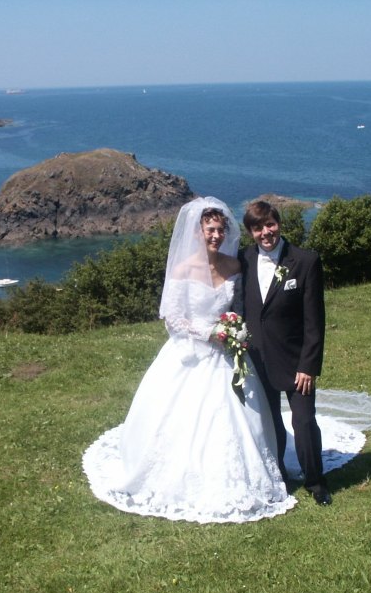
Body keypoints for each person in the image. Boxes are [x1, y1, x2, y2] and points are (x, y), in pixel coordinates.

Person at [83, 196, 297, 523]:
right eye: (210, 230)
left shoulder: (234, 266)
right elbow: (172, 318)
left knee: (242, 414)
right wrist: (210, 333)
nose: (216, 236)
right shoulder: (183, 269)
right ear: (198, 232)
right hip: (191, 354)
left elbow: (240, 307)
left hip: (228, 354)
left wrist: (234, 329)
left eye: (220, 230)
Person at [240, 200, 332, 506]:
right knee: (270, 422)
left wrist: (309, 365)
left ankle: (315, 480)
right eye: (258, 227)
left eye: (270, 224)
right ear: (251, 232)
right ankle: (276, 471)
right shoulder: (243, 260)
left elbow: (314, 322)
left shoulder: (305, 261)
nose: (266, 232)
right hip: (257, 360)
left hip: (296, 362)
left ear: (279, 223)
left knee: (304, 422)